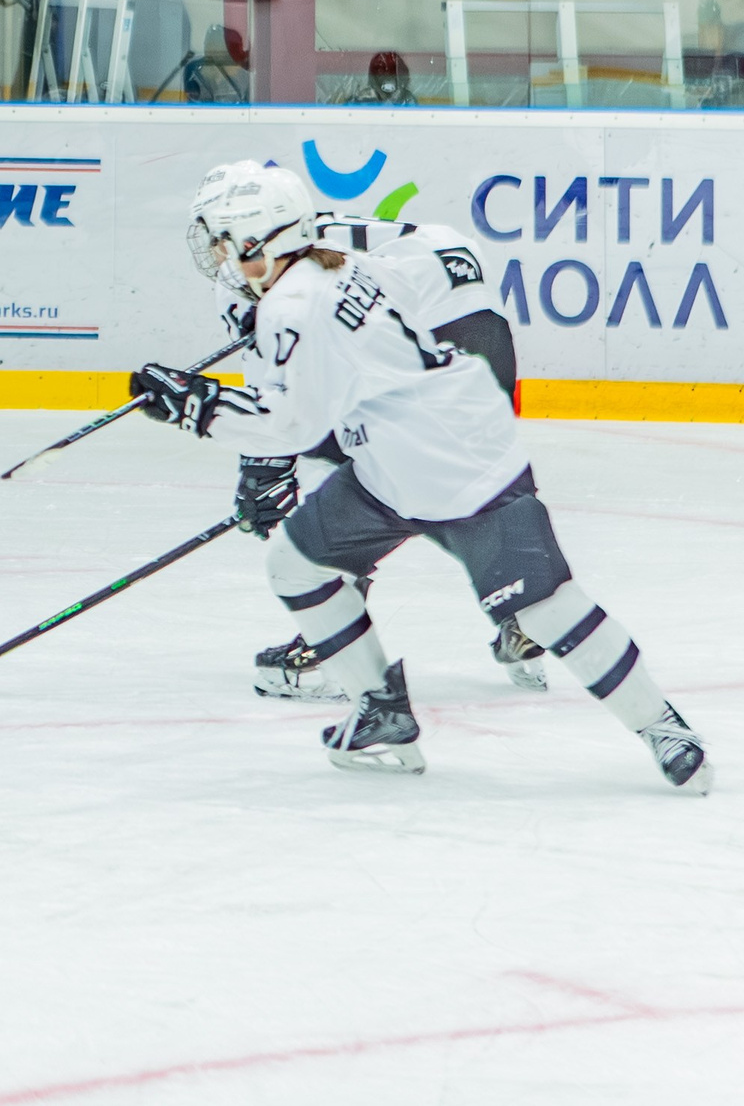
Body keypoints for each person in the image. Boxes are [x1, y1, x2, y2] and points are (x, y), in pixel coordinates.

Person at [131, 164, 709, 792]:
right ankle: (380, 711)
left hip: (455, 465)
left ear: (254, 238)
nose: (215, 254)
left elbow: (290, 425)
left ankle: (662, 726)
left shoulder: (293, 304)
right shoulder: (337, 266)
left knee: (547, 607)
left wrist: (197, 408)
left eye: (221, 238)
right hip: (392, 458)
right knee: (296, 564)